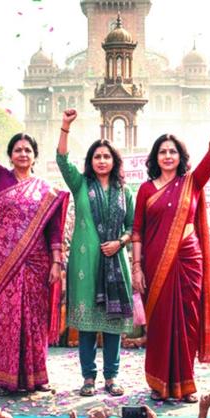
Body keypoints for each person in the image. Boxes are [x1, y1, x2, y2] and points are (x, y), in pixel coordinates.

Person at [0, 94, 69, 393]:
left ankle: (37, 377)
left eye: (28, 150)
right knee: (6, 318)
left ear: (35, 156)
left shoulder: (46, 190)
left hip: (37, 264)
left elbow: (53, 230)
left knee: (34, 320)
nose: (23, 154)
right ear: (10, 155)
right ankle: (5, 378)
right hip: (4, 265)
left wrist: (56, 263)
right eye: (17, 150)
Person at [132, 101, 210, 402]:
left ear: (180, 156)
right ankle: (159, 383)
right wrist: (136, 268)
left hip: (188, 261)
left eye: (173, 151)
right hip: (155, 264)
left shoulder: (192, 182)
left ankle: (185, 384)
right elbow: (137, 231)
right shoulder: (146, 189)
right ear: (155, 157)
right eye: (163, 151)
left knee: (188, 323)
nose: (168, 156)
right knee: (160, 324)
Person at [57, 109, 134, 397]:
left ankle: (111, 377)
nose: (102, 161)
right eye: (97, 157)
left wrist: (120, 242)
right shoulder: (80, 185)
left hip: (116, 262)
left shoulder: (125, 191)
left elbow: (133, 226)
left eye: (106, 156)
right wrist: (65, 126)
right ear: (90, 161)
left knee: (113, 324)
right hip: (84, 264)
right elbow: (62, 160)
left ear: (114, 161)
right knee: (87, 325)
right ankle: (88, 378)